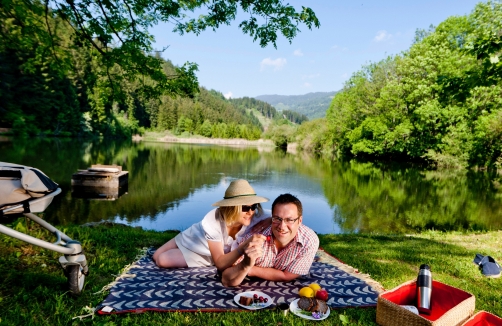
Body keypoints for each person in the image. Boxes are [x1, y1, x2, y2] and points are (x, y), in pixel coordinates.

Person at [152, 179, 270, 272]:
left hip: (208, 256)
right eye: (245, 207)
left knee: (162, 260)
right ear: (232, 207)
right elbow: (220, 263)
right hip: (193, 239)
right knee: (156, 256)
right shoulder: (213, 220)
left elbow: (282, 215)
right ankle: (178, 242)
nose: (250, 212)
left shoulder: (258, 216)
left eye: (253, 206)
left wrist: (273, 222)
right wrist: (243, 247)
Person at [222, 193, 319, 287]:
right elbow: (226, 279)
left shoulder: (309, 241)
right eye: (277, 219)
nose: (282, 226)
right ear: (271, 218)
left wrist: (251, 270)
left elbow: (287, 276)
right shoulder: (255, 239)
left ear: (300, 221)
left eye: (289, 220)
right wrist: (245, 265)